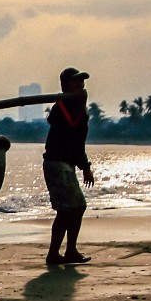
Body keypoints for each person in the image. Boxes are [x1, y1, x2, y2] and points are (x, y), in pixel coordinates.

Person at [44, 67, 94, 266]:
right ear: (65, 85)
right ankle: (65, 252)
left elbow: (77, 143)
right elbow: (75, 137)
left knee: (68, 210)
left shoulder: (74, 107)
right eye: (76, 82)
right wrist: (85, 166)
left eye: (82, 82)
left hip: (63, 164)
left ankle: (59, 253)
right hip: (57, 164)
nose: (81, 85)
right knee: (75, 207)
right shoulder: (63, 108)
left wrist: (84, 166)